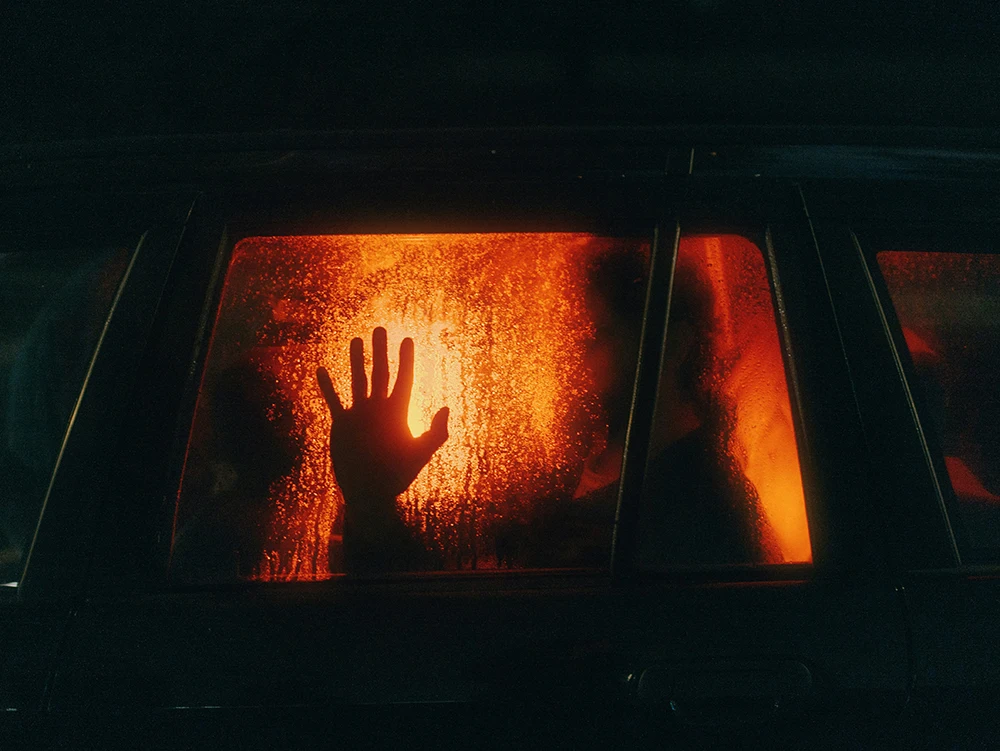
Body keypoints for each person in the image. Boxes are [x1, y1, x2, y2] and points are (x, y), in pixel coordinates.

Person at [317, 253, 776, 573]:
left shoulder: (697, 508)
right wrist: (370, 502)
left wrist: (372, 506)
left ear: (672, 343)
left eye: (594, 335)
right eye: (569, 334)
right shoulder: (569, 473)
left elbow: (486, 634)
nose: (571, 357)